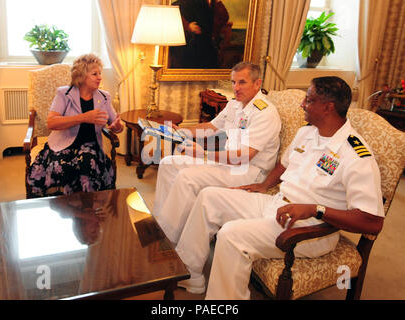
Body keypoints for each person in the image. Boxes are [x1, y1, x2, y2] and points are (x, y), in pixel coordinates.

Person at [174, 76, 385, 298]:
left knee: (232, 235)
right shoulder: (308, 132)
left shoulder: (356, 155)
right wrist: (264, 185)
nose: (302, 104)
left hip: (311, 229)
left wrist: (316, 209)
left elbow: (373, 222)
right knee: (209, 197)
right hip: (278, 205)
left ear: (327, 107)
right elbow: (284, 164)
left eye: (309, 100)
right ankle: (190, 275)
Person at [152, 62, 281, 246]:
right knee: (168, 163)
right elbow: (211, 127)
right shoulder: (235, 105)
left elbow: (244, 157)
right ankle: (161, 223)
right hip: (229, 163)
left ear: (257, 83)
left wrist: (204, 154)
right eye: (233, 82)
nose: (236, 88)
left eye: (242, 82)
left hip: (250, 171)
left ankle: (167, 241)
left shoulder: (264, 113)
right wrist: (180, 132)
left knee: (188, 178)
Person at [26, 53, 123, 198]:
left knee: (87, 162)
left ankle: (86, 209)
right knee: (62, 166)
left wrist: (116, 126)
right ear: (82, 76)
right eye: (94, 74)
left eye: (100, 73)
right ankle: (69, 208)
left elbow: (115, 124)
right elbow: (51, 122)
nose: (100, 77)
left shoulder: (104, 97)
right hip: (63, 144)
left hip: (91, 145)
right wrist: (84, 117)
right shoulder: (64, 94)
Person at [169, 0, 230, 68]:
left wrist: (217, 2)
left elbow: (222, 19)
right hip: (186, 49)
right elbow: (172, 21)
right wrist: (187, 26)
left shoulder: (207, 4)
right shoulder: (178, 5)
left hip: (205, 46)